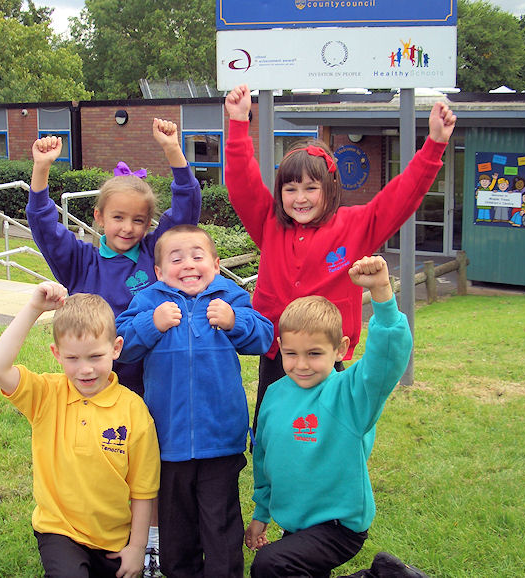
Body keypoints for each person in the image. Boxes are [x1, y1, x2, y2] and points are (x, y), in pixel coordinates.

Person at [223, 83, 456, 437]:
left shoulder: (355, 226)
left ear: (330, 188)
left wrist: (434, 145)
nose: (300, 198)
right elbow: (241, 182)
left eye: (310, 188)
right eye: (290, 189)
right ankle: (273, 488)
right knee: (272, 434)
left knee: (328, 436)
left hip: (327, 357)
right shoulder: (269, 223)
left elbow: (401, 195)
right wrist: (239, 123)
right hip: (277, 354)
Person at [26, 118, 201, 574]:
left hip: (147, 383)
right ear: (99, 218)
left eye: (139, 220)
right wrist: (41, 170)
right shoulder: (79, 258)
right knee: (101, 462)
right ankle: (84, 528)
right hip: (89, 386)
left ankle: (151, 544)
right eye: (118, 218)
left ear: (149, 225)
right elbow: (44, 225)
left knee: (146, 463)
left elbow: (187, 213)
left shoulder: (152, 256)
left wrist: (174, 153)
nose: (127, 228)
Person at [115, 224, 274, 578]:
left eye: (197, 256)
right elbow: (120, 345)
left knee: (221, 526)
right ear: (158, 272)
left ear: (216, 265)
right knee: (177, 531)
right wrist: (151, 325)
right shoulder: (149, 301)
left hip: (220, 440)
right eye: (176, 258)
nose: (187, 264)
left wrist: (234, 322)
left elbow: (264, 335)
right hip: (167, 442)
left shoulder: (228, 296)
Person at [244, 255, 413, 578]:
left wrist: (381, 292)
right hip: (297, 525)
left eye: (315, 354)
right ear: (280, 347)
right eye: (292, 353)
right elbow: (266, 460)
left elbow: (386, 359)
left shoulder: (350, 396)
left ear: (340, 349)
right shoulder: (276, 394)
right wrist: (261, 512)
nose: (302, 364)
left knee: (271, 565)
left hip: (339, 526)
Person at [0, 282, 160, 578]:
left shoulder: (134, 411)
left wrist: (137, 547)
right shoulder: (45, 395)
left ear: (116, 348)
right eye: (73, 358)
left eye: (95, 357)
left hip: (113, 538)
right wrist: (33, 309)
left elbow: (143, 490)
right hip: (59, 529)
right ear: (56, 354)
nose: (85, 370)